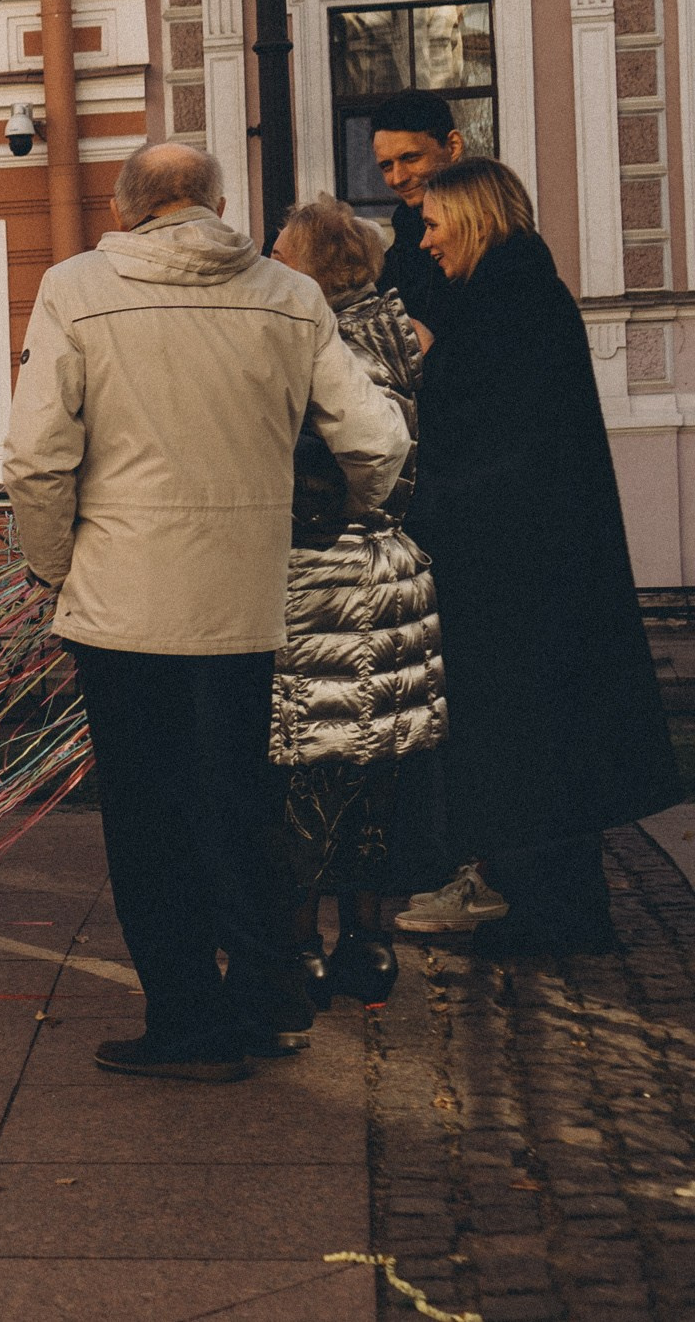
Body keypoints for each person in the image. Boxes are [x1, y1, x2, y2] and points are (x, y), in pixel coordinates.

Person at [4, 142, 408, 1082]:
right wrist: (351, 510)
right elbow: (376, 437)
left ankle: (186, 1017)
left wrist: (57, 568)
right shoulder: (288, 295)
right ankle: (270, 997)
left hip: (121, 601)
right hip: (243, 597)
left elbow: (33, 459)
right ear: (221, 204)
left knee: (146, 817)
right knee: (244, 800)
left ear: (124, 206)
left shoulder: (76, 288)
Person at [389, 157, 680, 954]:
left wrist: (427, 504)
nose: (427, 237)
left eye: (436, 221)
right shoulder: (513, 297)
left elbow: (489, 444)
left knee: (529, 744)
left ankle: (550, 916)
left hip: (513, 571)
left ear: (474, 218)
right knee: (541, 742)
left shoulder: (504, 305)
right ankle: (550, 906)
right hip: (531, 564)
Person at [265, 199, 443, 1010]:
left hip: (321, 576)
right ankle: (368, 946)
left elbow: (321, 465)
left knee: (306, 769)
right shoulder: (404, 331)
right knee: (375, 774)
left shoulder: (313, 341)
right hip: (393, 572)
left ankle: (297, 946)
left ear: (306, 264)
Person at [364, 89, 463, 332]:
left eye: (411, 158)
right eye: (387, 166)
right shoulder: (405, 234)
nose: (398, 178)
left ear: (453, 146)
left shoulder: (494, 230)